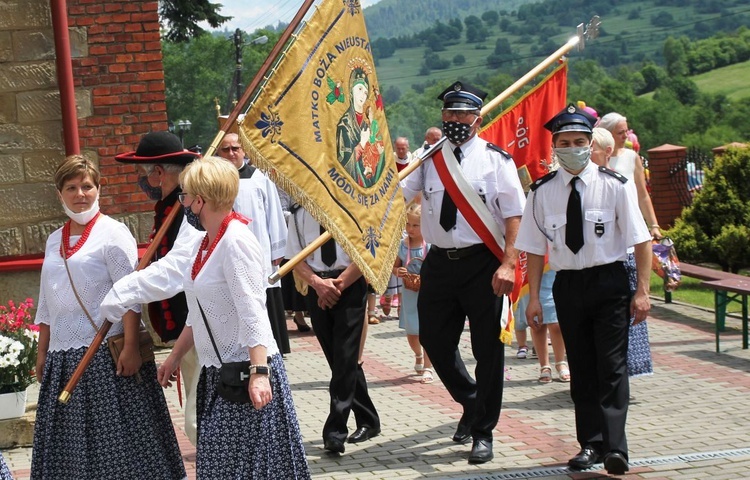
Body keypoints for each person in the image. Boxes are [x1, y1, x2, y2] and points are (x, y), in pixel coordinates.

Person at [515, 104, 652, 475]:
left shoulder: (614, 186)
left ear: (590, 144)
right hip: (569, 285)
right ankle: (589, 445)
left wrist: (642, 290)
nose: (572, 147)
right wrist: (531, 299)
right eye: (564, 142)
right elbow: (533, 247)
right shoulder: (541, 192)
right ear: (554, 147)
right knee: (582, 367)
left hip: (609, 282)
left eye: (579, 141)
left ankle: (615, 448)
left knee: (612, 366)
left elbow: (641, 241)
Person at [31, 155, 185, 480]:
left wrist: (131, 345)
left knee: (116, 439)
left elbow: (129, 293)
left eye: (87, 186)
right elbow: (47, 301)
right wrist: (42, 351)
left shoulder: (114, 233)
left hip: (105, 356)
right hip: (62, 358)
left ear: (99, 188)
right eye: (71, 187)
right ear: (59, 193)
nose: (80, 194)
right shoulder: (52, 240)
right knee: (68, 445)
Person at [156, 157, 310, 478]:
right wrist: (174, 358)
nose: (182, 203)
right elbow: (199, 313)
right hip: (218, 373)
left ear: (202, 199)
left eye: (185, 197)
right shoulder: (205, 243)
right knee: (219, 467)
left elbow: (253, 311)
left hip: (245, 372)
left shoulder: (236, 241)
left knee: (240, 469)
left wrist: (259, 373)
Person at [401, 81, 526, 464]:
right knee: (434, 341)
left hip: (482, 264)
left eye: (463, 113)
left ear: (478, 117)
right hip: (440, 262)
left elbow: (514, 217)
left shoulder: (495, 161)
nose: (455, 119)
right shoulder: (430, 158)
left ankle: (483, 432)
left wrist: (508, 262)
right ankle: (472, 400)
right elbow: (401, 192)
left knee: (487, 348)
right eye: (449, 113)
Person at [114, 130, 202, 445]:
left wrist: (124, 291)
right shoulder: (169, 206)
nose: (143, 181)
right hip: (184, 332)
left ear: (159, 173)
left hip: (201, 329)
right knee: (198, 421)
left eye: (143, 174)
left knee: (197, 422)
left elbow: (175, 270)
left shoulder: (189, 210)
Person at [286, 207, 380, 455]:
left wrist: (338, 286)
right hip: (318, 288)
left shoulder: (354, 209)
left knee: (345, 356)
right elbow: (295, 259)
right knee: (339, 360)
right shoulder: (299, 213)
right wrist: (318, 284)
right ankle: (369, 419)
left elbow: (365, 253)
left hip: (348, 285)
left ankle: (335, 431)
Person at [217, 132, 292, 353]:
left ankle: (270, 346)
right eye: (225, 149)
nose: (231, 153)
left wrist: (278, 248)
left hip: (259, 249)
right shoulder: (214, 181)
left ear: (244, 151)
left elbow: (274, 214)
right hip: (226, 251)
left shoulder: (259, 178)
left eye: (235, 148)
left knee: (262, 293)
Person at [591, 127, 654, 378]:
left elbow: (639, 236)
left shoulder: (617, 183)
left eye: (588, 146)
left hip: (620, 261)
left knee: (624, 327)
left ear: (605, 151)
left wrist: (643, 289)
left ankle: (622, 374)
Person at [597, 112, 662, 240]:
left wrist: (654, 225)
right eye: (620, 133)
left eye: (626, 132)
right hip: (604, 226)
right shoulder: (596, 159)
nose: (626, 136)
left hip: (631, 223)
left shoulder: (632, 157)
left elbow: (642, 195)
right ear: (607, 134)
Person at [393, 203, 433, 383]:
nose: (410, 229)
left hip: (428, 292)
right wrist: (398, 272)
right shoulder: (402, 245)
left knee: (428, 329)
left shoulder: (431, 244)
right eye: (408, 224)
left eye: (415, 225)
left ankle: (428, 367)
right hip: (409, 292)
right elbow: (395, 267)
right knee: (411, 331)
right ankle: (418, 354)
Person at [514, 269, 569, 383]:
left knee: (556, 323)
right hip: (530, 274)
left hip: (553, 271)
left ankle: (560, 363)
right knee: (537, 324)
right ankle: (544, 366)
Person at [336, 63, 385, 187]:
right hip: (352, 186)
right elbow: (342, 164)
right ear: (351, 92)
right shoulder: (345, 124)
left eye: (366, 91)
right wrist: (362, 143)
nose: (363, 94)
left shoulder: (367, 122)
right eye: (359, 89)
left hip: (368, 182)